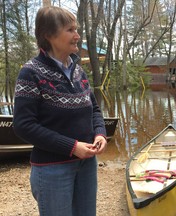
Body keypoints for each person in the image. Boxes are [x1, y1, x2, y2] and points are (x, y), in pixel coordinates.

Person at [13, 6, 107, 216]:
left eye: (76, 29)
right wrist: (72, 147)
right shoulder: (30, 72)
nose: (77, 35)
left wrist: (100, 133)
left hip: (87, 166)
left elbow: (94, 109)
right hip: (52, 169)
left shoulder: (78, 71)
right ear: (48, 35)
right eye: (70, 30)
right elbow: (23, 125)